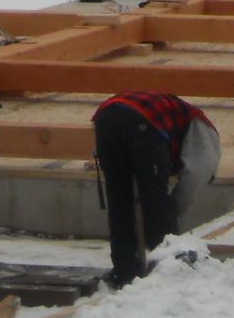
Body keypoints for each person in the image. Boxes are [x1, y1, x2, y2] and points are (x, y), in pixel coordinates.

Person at [90, 90, 220, 285]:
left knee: (119, 199)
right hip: (143, 120)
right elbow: (195, 177)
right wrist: (172, 210)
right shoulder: (203, 133)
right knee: (155, 199)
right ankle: (166, 269)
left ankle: (124, 271)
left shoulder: (180, 117)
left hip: (106, 117)